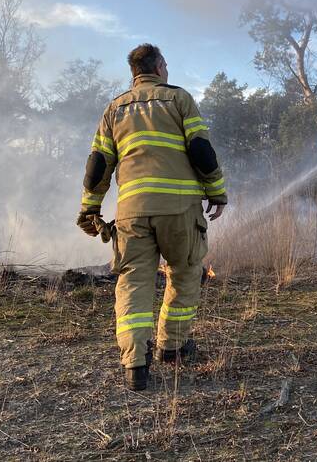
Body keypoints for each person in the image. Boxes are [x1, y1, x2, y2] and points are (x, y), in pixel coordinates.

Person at [77, 44, 228, 390]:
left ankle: (135, 365)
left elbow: (98, 164)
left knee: (133, 281)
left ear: (134, 72)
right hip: (180, 210)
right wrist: (217, 191)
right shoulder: (178, 100)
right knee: (185, 272)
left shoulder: (114, 109)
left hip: (132, 213)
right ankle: (172, 348)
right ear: (159, 66)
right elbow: (201, 149)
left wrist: (90, 207)